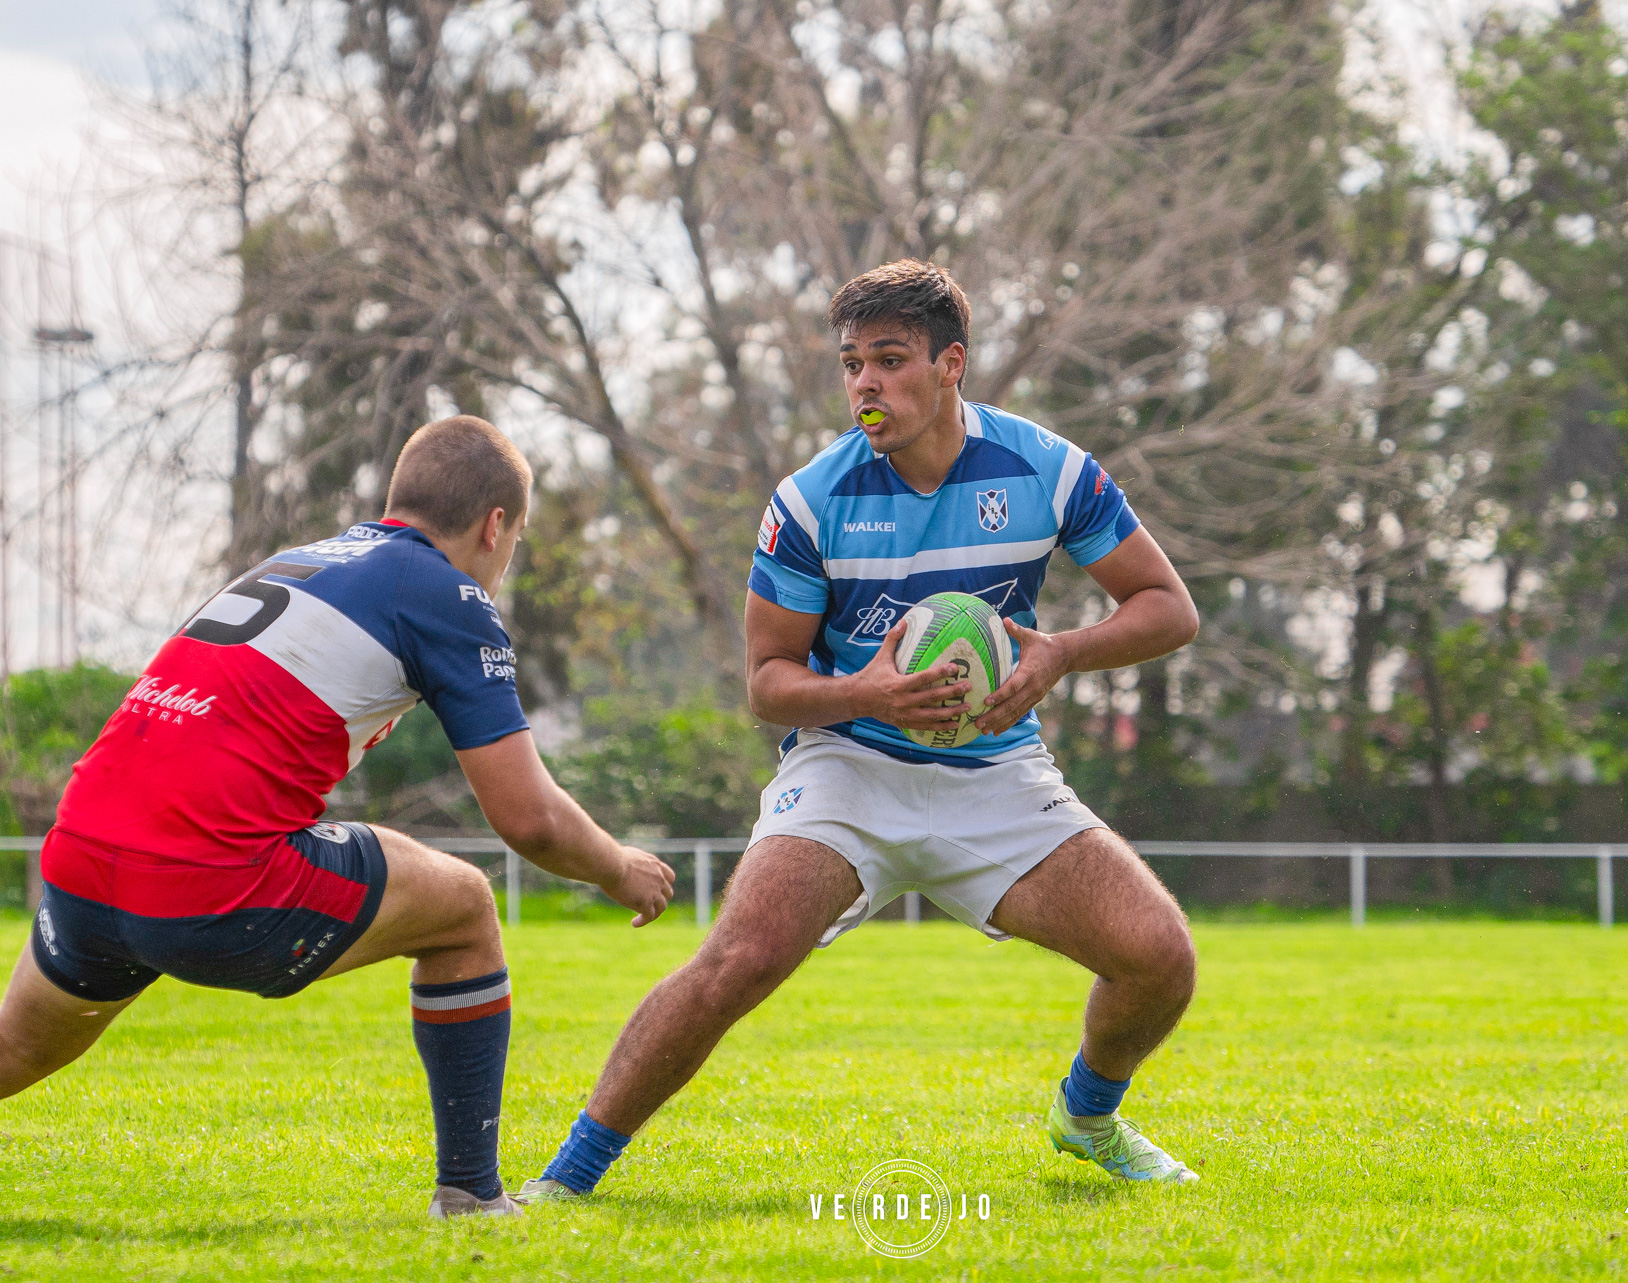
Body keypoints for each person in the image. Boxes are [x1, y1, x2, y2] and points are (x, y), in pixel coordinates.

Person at [521, 260, 1201, 1202]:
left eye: (889, 359)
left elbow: (1169, 608)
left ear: (950, 363)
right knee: (736, 960)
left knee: (1160, 957)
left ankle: (1087, 1118)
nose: (866, 385)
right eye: (851, 364)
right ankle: (564, 1181)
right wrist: (867, 695)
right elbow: (767, 682)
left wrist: (1059, 654)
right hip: (849, 766)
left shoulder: (1047, 469)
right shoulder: (809, 501)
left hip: (995, 771)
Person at [0, 415, 676, 1218]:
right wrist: (617, 865)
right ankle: (472, 1194)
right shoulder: (446, 592)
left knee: (16, 1047)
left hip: (79, 853)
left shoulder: (302, 559)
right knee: (462, 908)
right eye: (516, 542)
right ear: (496, 526)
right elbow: (528, 818)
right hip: (204, 879)